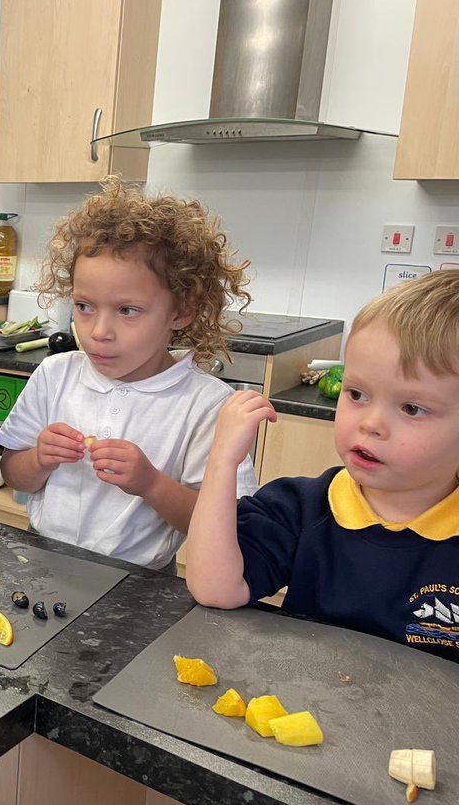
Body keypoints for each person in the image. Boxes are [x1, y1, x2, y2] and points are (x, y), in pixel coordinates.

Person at [186, 271, 459, 658]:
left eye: (411, 408)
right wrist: (221, 461)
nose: (370, 423)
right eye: (357, 393)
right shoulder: (300, 507)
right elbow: (214, 588)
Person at [0, 179, 258, 571]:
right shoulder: (55, 374)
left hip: (139, 584)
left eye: (127, 311)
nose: (99, 331)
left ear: (181, 311)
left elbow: (221, 526)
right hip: (43, 562)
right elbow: (14, 475)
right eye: (84, 306)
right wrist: (39, 459)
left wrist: (151, 484)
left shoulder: (206, 405)